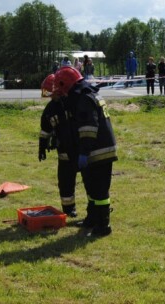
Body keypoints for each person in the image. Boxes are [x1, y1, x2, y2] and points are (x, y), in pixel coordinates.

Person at [53, 66, 117, 236]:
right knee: (91, 187)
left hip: (98, 151)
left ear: (65, 83)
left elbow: (89, 128)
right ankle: (93, 218)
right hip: (96, 149)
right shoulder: (87, 93)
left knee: (99, 191)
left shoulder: (84, 98)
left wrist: (84, 152)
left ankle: (103, 225)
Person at [39, 74, 79, 218]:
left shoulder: (75, 103)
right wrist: (42, 146)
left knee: (90, 181)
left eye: (51, 93)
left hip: (81, 149)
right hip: (64, 151)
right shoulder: (50, 109)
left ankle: (94, 210)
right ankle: (69, 209)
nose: (50, 97)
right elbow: (45, 129)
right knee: (65, 182)